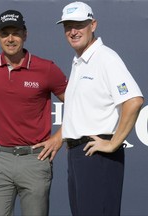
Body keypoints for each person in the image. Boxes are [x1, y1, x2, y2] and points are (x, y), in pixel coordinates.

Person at [0, 9, 68, 216]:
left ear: (25, 35)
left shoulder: (46, 69)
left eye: (16, 33)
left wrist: (59, 137)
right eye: (5, 33)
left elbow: (77, 104)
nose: (10, 39)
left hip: (35, 160)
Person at [57, 2, 144, 215]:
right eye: (68, 26)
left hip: (98, 156)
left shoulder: (106, 58)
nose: (73, 31)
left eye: (79, 24)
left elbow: (134, 101)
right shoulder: (80, 61)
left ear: (93, 25)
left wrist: (113, 143)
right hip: (78, 155)